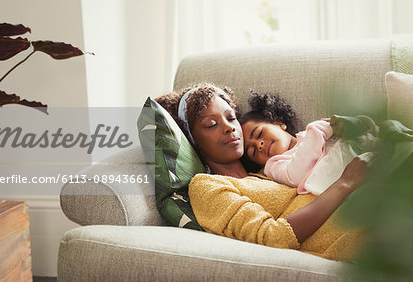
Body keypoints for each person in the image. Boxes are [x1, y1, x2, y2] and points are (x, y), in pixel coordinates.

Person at [155, 83, 370, 261]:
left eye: (231, 118)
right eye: (211, 124)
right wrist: (345, 183)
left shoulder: (270, 168)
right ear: (193, 142)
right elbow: (273, 237)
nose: (229, 127)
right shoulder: (206, 187)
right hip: (359, 240)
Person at [239, 92, 413, 195]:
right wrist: (320, 128)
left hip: (381, 155)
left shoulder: (311, 133)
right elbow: (296, 175)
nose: (259, 145)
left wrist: (359, 123)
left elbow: (359, 131)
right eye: (253, 151)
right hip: (365, 183)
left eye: (259, 134)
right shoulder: (274, 165)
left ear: (277, 123)